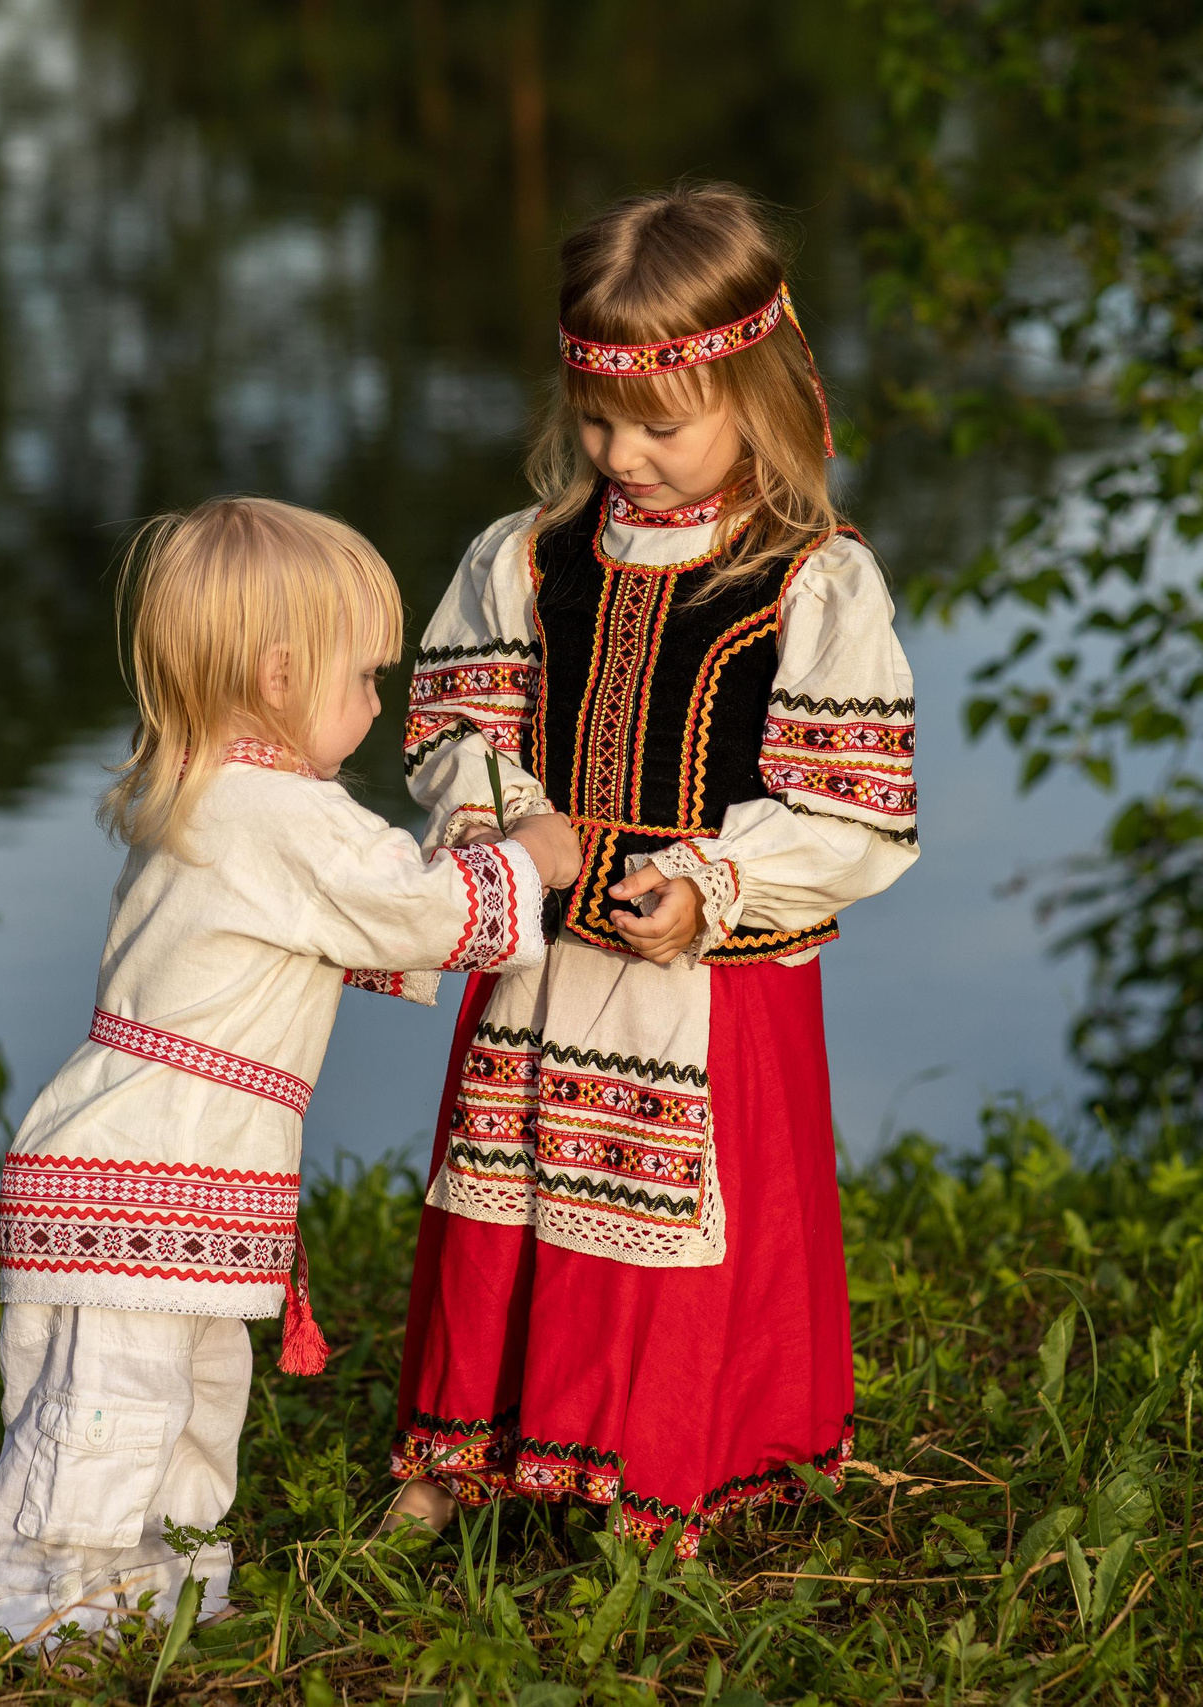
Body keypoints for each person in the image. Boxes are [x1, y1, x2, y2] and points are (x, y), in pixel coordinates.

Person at [387, 184, 919, 1557]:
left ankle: (659, 1460)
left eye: (661, 424)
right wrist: (508, 824)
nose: (625, 452)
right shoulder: (523, 557)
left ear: (759, 393)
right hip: (542, 947)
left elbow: (853, 810)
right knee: (502, 1184)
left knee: (677, 1214)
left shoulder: (811, 579)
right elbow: (453, 732)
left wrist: (716, 885)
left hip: (707, 969)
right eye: (599, 418)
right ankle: (463, 1448)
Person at [0, 496, 576, 1643]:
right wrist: (527, 860)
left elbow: (345, 922)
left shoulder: (201, 787)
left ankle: (164, 1602)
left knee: (188, 1402)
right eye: (362, 677)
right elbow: (420, 913)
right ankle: (53, 1621)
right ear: (282, 674)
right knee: (114, 1415)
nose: (376, 701)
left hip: (159, 1158)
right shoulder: (280, 810)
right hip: (154, 1164)